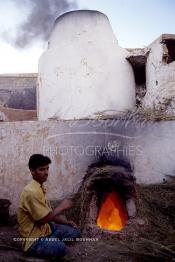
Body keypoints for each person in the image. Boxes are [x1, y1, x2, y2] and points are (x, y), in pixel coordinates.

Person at [17, 154, 81, 259]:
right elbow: (44, 219)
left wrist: (66, 222)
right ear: (32, 171)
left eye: (47, 169)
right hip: (34, 239)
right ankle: (52, 241)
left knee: (75, 233)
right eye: (42, 169)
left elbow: (49, 214)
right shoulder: (31, 192)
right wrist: (62, 207)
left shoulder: (39, 187)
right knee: (62, 249)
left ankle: (53, 238)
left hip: (46, 229)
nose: (46, 173)